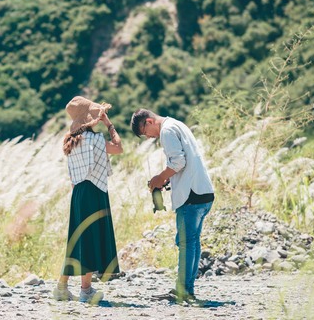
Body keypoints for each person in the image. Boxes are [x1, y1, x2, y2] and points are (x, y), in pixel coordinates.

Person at [130, 108, 214, 302]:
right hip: (203, 191)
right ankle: (187, 289)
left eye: (145, 133)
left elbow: (178, 162)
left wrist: (159, 178)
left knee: (185, 243)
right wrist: (168, 179)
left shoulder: (166, 131)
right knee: (192, 242)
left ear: (149, 121)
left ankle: (183, 290)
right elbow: (185, 162)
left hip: (191, 194)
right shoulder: (178, 124)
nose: (148, 137)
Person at [53, 96, 123, 304]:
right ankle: (86, 290)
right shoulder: (96, 140)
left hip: (78, 193)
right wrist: (109, 124)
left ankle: (62, 288)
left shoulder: (70, 140)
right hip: (94, 191)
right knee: (91, 238)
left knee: (77, 239)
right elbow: (118, 148)